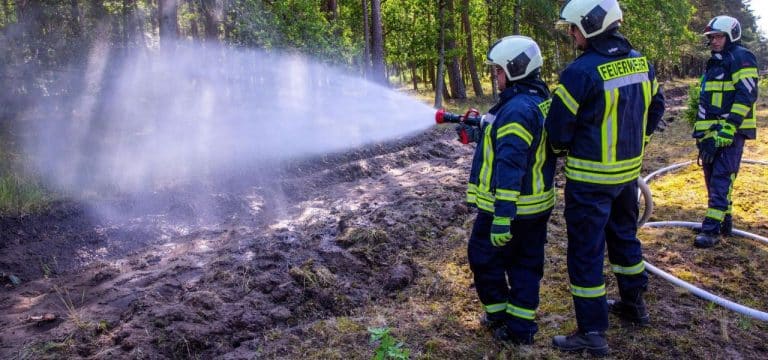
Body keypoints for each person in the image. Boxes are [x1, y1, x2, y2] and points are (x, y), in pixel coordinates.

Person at [544, 0, 665, 356]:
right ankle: (634, 305)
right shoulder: (642, 62)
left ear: (592, 26)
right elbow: (657, 106)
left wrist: (561, 148)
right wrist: (638, 141)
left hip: (589, 184)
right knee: (625, 241)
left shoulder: (581, 72)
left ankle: (592, 332)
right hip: (627, 178)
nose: (571, 34)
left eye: (574, 27)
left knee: (586, 253)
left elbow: (558, 128)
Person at [464, 35, 555, 345]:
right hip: (534, 205)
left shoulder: (516, 108)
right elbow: (515, 141)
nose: (495, 76)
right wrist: (482, 131)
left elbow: (510, 163)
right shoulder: (536, 97)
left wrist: (503, 214)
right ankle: (521, 329)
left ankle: (500, 315)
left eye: (498, 70)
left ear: (515, 69)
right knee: (526, 265)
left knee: (483, 257)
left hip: (508, 208)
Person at [693, 15, 758, 248]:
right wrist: (702, 135)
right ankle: (724, 221)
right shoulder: (714, 63)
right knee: (712, 178)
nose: (714, 41)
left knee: (722, 176)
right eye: (711, 37)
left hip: (732, 131)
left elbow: (746, 95)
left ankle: (710, 230)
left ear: (731, 35)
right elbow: (705, 100)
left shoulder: (742, 57)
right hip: (711, 132)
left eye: (718, 36)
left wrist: (729, 128)